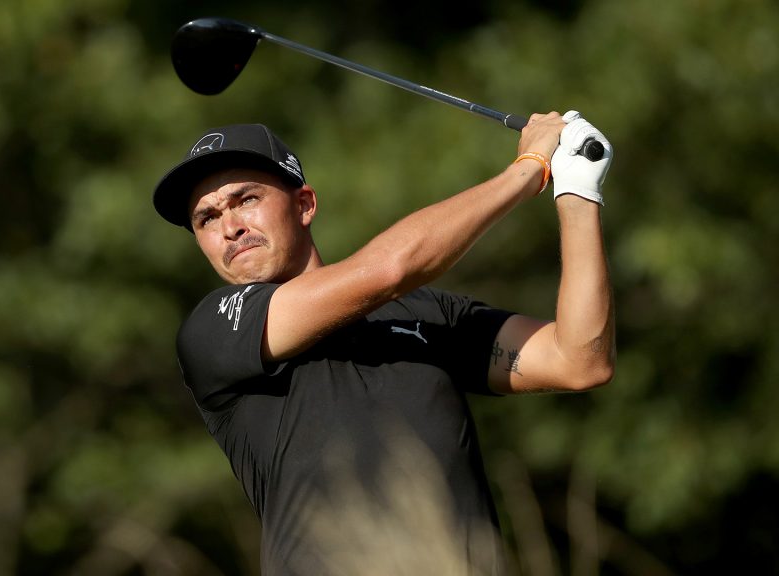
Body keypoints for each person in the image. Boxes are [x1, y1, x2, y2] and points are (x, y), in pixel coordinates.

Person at [152, 111, 614, 575]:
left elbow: (579, 360)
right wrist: (529, 167)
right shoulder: (214, 328)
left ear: (304, 205)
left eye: (245, 199)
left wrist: (577, 193)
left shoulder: (428, 314)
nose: (229, 227)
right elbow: (388, 271)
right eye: (207, 219)